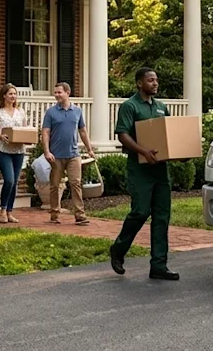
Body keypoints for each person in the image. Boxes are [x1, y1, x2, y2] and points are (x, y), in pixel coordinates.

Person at [109, 67, 178, 281]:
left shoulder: (161, 107)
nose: (155, 83)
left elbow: (169, 135)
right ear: (140, 83)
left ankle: (159, 265)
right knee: (140, 212)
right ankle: (118, 250)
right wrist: (143, 151)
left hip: (160, 170)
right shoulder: (130, 106)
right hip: (139, 169)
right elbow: (122, 135)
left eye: (156, 80)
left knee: (161, 216)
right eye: (150, 80)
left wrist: (179, 152)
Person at [41, 82, 95, 226]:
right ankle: (54, 214)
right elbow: (45, 132)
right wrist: (46, 151)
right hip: (56, 156)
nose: (56, 95)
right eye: (55, 92)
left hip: (73, 155)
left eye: (59, 92)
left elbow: (82, 131)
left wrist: (89, 149)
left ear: (67, 93)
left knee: (75, 184)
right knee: (54, 185)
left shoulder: (77, 111)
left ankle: (80, 215)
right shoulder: (51, 112)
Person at [0, 83, 28, 224]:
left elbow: (24, 131)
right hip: (3, 150)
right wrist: (1, 137)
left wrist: (27, 140)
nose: (13, 96)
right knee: (9, 180)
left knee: (15, 182)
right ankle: (2, 211)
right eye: (10, 93)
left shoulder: (20, 111)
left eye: (15, 94)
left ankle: (10, 212)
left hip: (18, 151)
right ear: (4, 95)